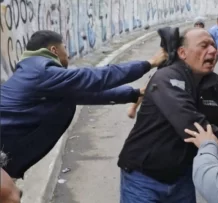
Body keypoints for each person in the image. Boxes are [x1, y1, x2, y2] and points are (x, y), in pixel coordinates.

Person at [117, 28, 218, 203]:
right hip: (143, 178)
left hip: (182, 179)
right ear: (182, 53)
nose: (213, 51)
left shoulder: (214, 87)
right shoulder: (166, 78)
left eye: (214, 46)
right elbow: (190, 123)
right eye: (204, 46)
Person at [0, 30, 167, 179]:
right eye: (64, 47)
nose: (69, 54)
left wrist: (135, 93)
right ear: (54, 50)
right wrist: (149, 63)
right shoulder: (42, 72)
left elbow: (85, 94)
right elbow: (96, 77)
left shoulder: (35, 71)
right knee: (12, 196)